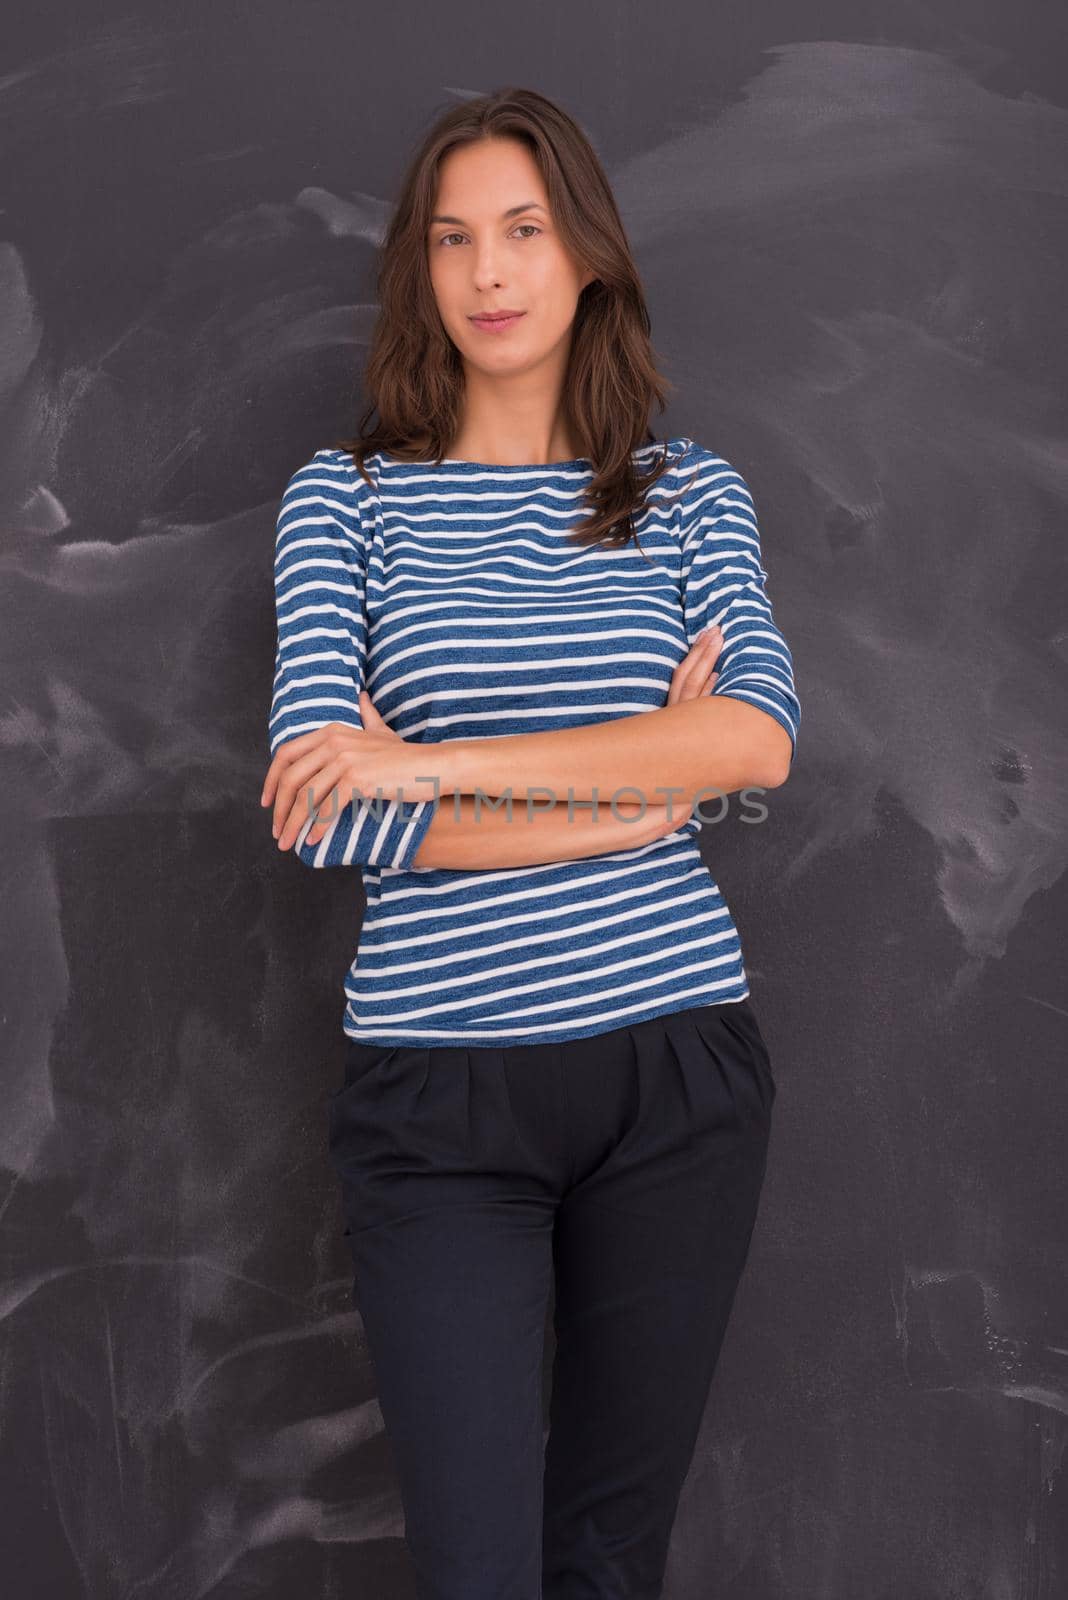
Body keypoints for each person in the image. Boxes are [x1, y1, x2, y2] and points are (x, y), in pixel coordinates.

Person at [260, 86, 799, 1600]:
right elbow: (329, 811)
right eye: (453, 241)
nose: (490, 274)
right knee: (479, 1568)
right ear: (420, 273)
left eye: (525, 231)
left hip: (674, 1076)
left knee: (611, 1561)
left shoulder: (688, 495)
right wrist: (636, 798)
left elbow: (754, 737)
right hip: (438, 1105)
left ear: (589, 260)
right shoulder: (346, 504)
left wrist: (439, 765)